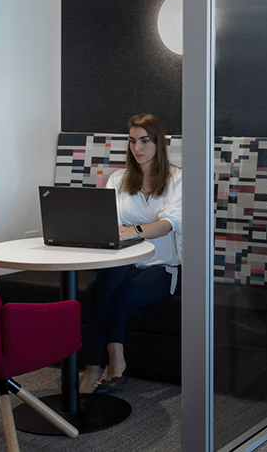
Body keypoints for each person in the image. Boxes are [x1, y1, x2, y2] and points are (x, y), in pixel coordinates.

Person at [81, 113, 182, 394]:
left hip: (161, 266)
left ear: (158, 143)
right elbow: (104, 220)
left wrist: (135, 230)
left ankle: (110, 362)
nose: (137, 148)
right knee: (99, 287)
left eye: (145, 141)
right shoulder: (119, 179)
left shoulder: (177, 179)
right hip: (124, 259)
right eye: (132, 141)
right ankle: (95, 367)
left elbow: (168, 224)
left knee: (122, 293)